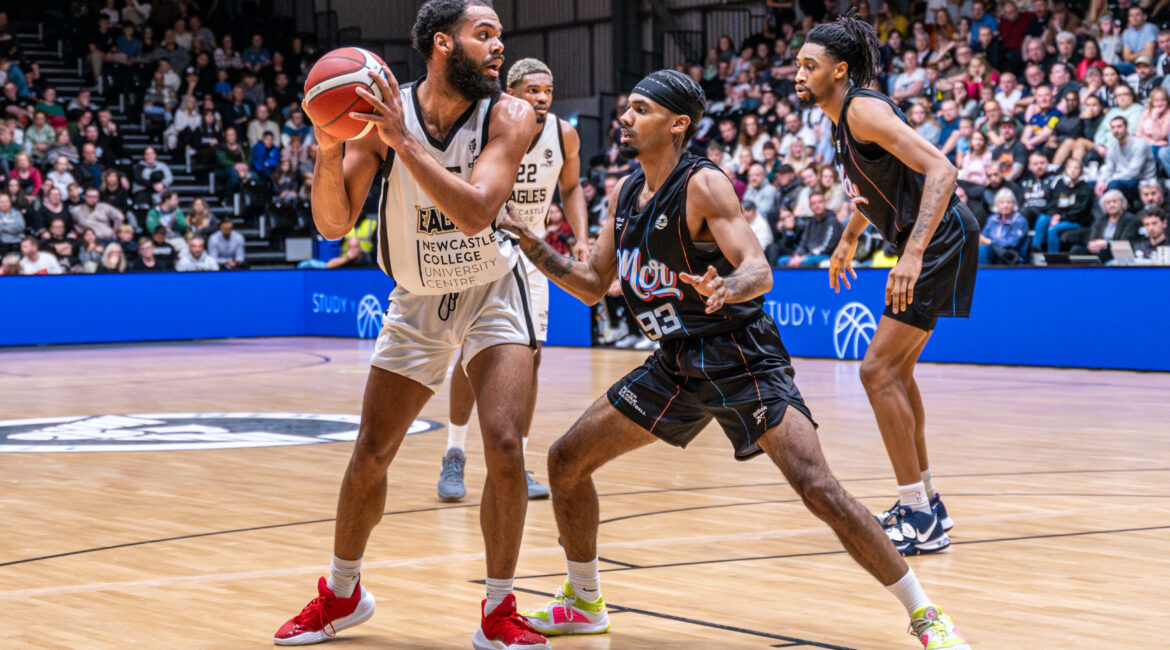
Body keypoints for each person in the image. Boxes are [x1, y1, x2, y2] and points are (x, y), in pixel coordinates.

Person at [498, 67, 969, 650]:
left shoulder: (704, 185)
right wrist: (530, 241)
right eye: (627, 108)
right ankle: (586, 600)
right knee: (566, 460)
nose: (624, 118)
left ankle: (926, 615)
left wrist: (730, 287)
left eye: (639, 109)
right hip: (674, 362)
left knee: (818, 487)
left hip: (741, 357)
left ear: (677, 124)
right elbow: (594, 285)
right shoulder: (622, 195)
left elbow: (758, 269)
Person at [272, 3, 550, 649]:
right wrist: (328, 146)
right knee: (371, 454)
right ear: (439, 43)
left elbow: (480, 212)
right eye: (485, 35)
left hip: (492, 289)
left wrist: (403, 141)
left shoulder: (508, 113)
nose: (498, 46)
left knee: (505, 443)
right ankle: (342, 595)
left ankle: (500, 610)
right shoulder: (381, 115)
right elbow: (334, 224)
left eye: (500, 36)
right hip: (418, 298)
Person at [800, 15, 979, 568]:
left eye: (810, 65)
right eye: (799, 63)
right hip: (933, 235)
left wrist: (915, 251)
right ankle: (928, 505)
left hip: (940, 235)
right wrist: (849, 239)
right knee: (895, 372)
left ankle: (917, 515)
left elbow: (942, 170)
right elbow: (870, 191)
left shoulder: (862, 108)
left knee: (875, 370)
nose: (798, 72)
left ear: (841, 70)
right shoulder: (839, 121)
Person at [438, 57, 590, 504]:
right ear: (512, 91)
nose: (542, 97)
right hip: (481, 248)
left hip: (532, 253)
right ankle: (454, 452)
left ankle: (517, 460)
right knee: (471, 354)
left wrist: (581, 238)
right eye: (532, 89)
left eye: (548, 90)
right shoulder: (491, 124)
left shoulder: (563, 134)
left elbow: (572, 187)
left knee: (532, 356)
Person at [978, 189, 1029, 264]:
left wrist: (990, 242)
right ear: (997, 205)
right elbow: (983, 238)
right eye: (1002, 202)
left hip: (1012, 256)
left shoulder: (1020, 221)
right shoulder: (992, 219)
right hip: (994, 254)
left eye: (1009, 202)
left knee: (984, 249)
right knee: (981, 249)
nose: (1005, 206)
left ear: (1014, 204)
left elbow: (1011, 243)